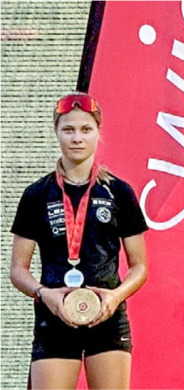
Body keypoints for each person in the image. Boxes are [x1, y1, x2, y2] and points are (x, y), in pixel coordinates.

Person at [9, 92, 148, 389]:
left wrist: (115, 297)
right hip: (54, 320)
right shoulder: (36, 195)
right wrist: (44, 293)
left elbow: (140, 267)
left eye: (86, 129)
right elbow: (18, 270)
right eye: (68, 129)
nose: (77, 138)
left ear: (99, 133)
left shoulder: (119, 192)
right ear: (56, 132)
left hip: (107, 320)